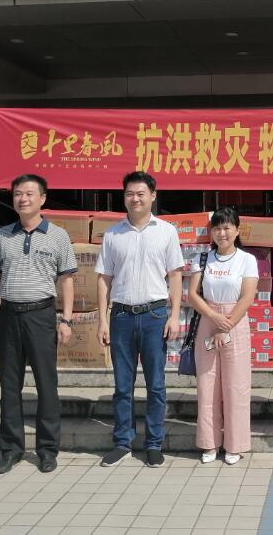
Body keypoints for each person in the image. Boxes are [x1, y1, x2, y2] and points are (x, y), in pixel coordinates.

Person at [0, 174, 76, 475]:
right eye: (17, 194)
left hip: (41, 316)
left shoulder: (58, 236)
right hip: (9, 315)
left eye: (29, 193)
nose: (22, 199)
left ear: (42, 199)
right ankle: (11, 449)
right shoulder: (2, 235)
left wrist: (66, 319)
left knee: (46, 385)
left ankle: (47, 450)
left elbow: (66, 280)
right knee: (10, 386)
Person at [96, 171, 183, 469]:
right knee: (123, 385)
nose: (135, 199)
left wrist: (174, 315)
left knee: (156, 385)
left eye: (141, 193)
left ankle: (154, 443)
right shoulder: (112, 234)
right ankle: (122, 442)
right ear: (124, 197)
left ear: (153, 196)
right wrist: (102, 320)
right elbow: (104, 279)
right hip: (121, 316)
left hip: (155, 316)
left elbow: (175, 275)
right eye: (130, 194)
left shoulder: (167, 231)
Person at [188, 207, 259, 466]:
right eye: (217, 228)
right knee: (207, 384)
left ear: (237, 230)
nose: (222, 233)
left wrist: (225, 324)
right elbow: (192, 294)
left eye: (227, 227)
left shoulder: (246, 260)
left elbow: (248, 296)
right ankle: (210, 443)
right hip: (208, 320)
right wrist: (213, 317)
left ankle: (234, 444)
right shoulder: (202, 259)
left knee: (235, 385)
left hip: (235, 322)